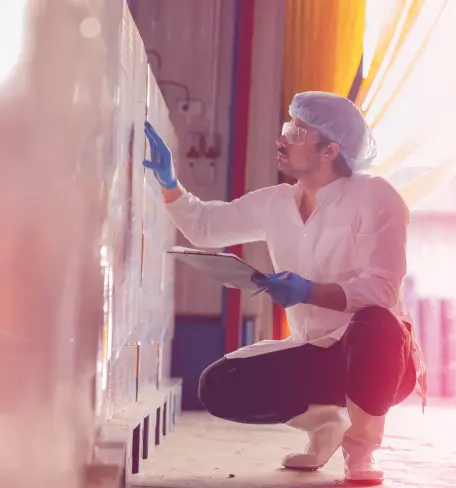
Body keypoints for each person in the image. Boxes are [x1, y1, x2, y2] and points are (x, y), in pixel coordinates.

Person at [142, 91, 424, 485]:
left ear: (330, 149)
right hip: (317, 351)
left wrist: (309, 291)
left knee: (374, 323)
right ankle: (328, 423)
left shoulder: (375, 196)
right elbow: (207, 226)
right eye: (285, 128)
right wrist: (170, 185)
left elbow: (381, 291)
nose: (282, 139)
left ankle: (361, 452)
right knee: (219, 385)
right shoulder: (277, 202)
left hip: (381, 359)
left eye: (296, 131)